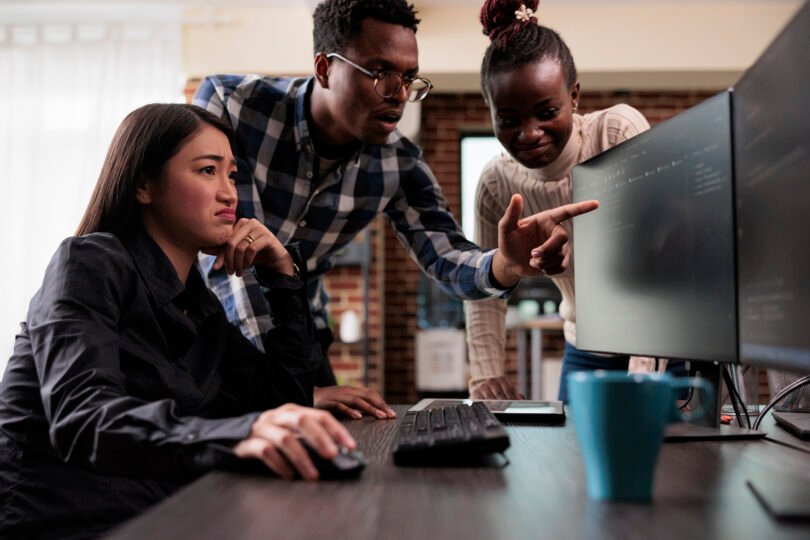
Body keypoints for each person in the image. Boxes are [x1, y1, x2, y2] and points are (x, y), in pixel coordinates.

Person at [193, 0, 597, 417]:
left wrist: (506, 265)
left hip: (299, 329)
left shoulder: (399, 163)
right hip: (212, 326)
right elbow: (232, 254)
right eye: (381, 74)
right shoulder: (233, 105)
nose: (400, 95)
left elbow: (447, 256)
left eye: (408, 78)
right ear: (324, 68)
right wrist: (288, 390)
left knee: (338, 451)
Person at [0, 104, 358, 539]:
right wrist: (240, 435)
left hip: (161, 516)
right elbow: (83, 419)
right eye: (208, 171)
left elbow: (283, 397)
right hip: (64, 526)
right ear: (143, 185)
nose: (229, 194)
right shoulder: (88, 264)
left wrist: (282, 275)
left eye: (232, 175)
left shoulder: (198, 305)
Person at [466, 0, 687, 403]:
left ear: (574, 97)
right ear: (491, 112)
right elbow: (487, 289)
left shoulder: (615, 133)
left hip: (661, 346)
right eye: (509, 119)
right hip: (584, 348)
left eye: (547, 111)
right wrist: (485, 375)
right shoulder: (496, 183)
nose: (529, 134)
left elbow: (656, 260)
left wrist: (641, 379)